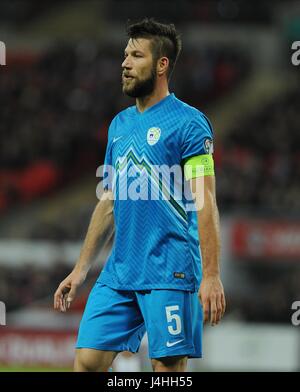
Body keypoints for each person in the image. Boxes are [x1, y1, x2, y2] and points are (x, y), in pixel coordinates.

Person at [54, 17, 226, 372]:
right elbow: (109, 202)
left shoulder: (189, 124)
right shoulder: (119, 125)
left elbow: (205, 200)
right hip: (120, 272)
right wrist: (81, 268)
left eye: (135, 55)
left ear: (161, 65)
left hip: (170, 271)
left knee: (165, 372)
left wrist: (211, 274)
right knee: (85, 362)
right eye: (124, 55)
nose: (125, 63)